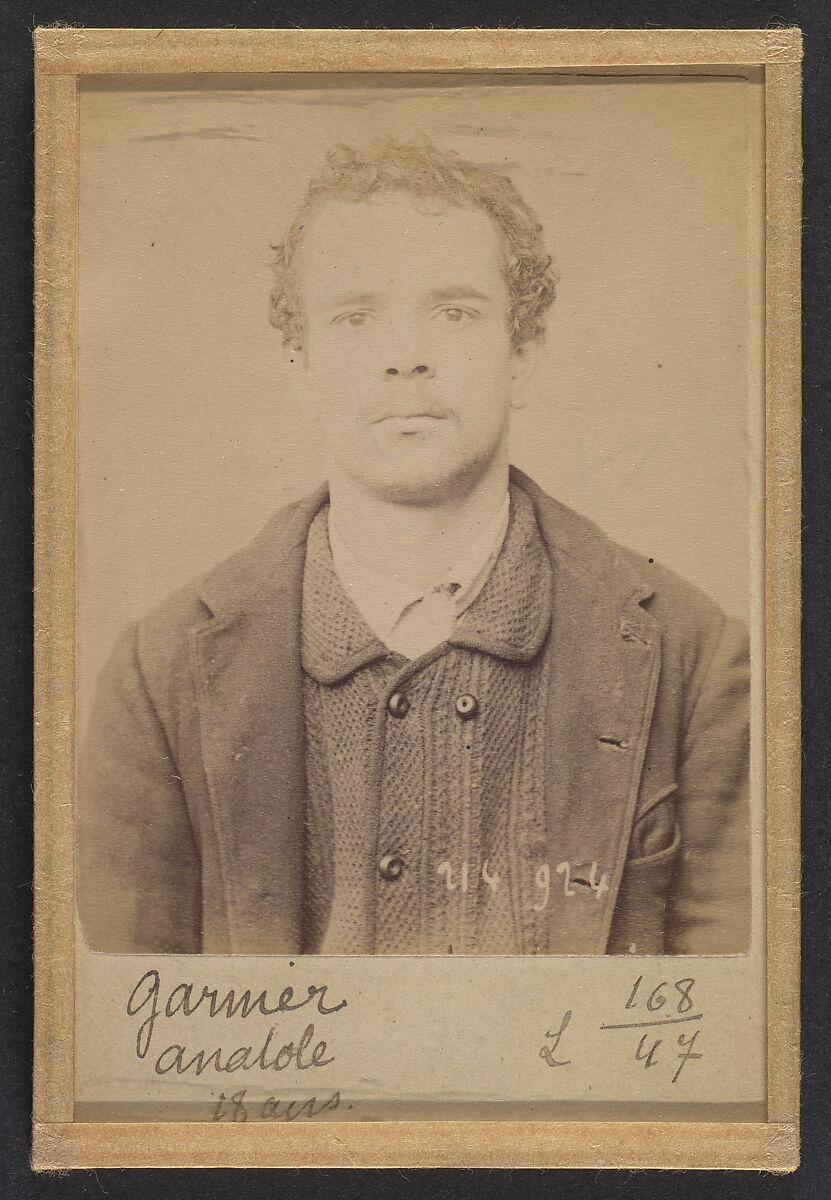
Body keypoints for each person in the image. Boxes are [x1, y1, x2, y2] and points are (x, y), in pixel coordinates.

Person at [79, 139, 750, 957]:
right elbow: (134, 1045)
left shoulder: (694, 656)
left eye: (455, 312)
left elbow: (726, 1034)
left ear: (523, 355)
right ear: (300, 368)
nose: (406, 357)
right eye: (355, 318)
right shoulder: (160, 676)